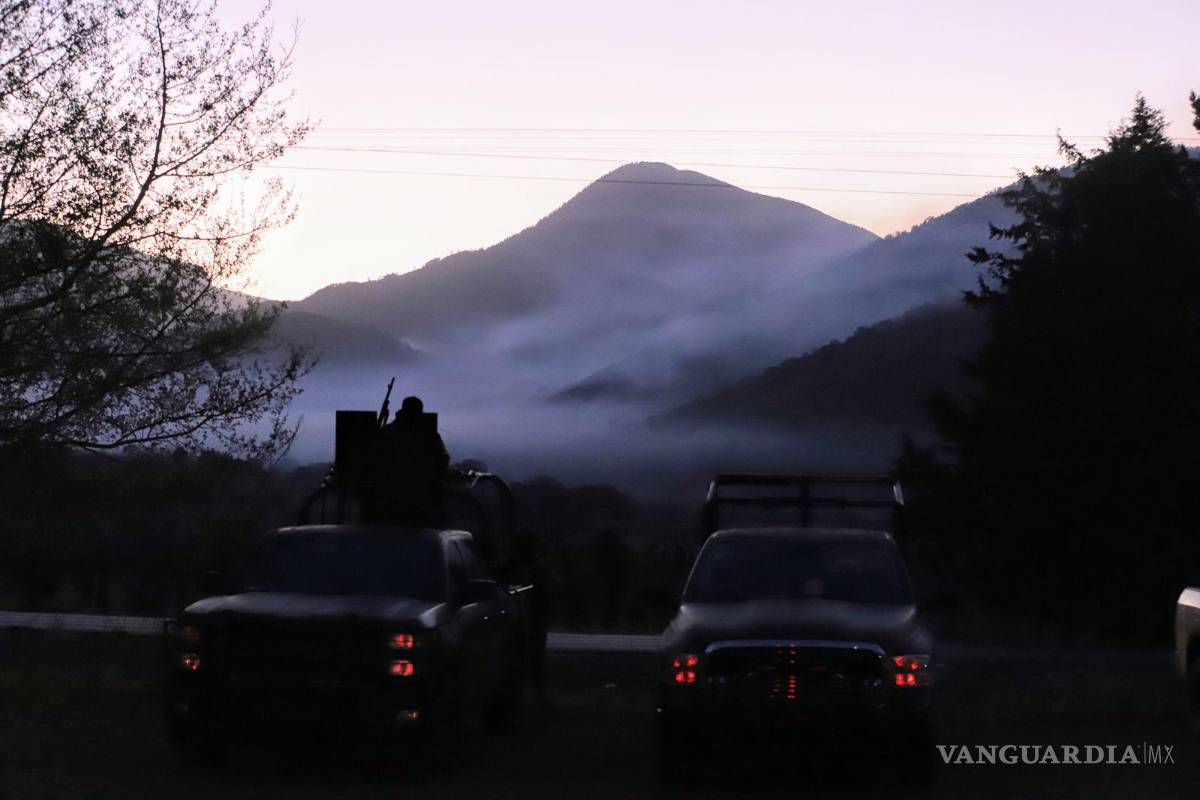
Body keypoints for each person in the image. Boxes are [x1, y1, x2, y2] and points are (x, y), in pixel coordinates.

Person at [378, 395, 450, 522]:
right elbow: (443, 459)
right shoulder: (429, 434)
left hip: (389, 498)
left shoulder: (386, 432)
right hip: (419, 498)